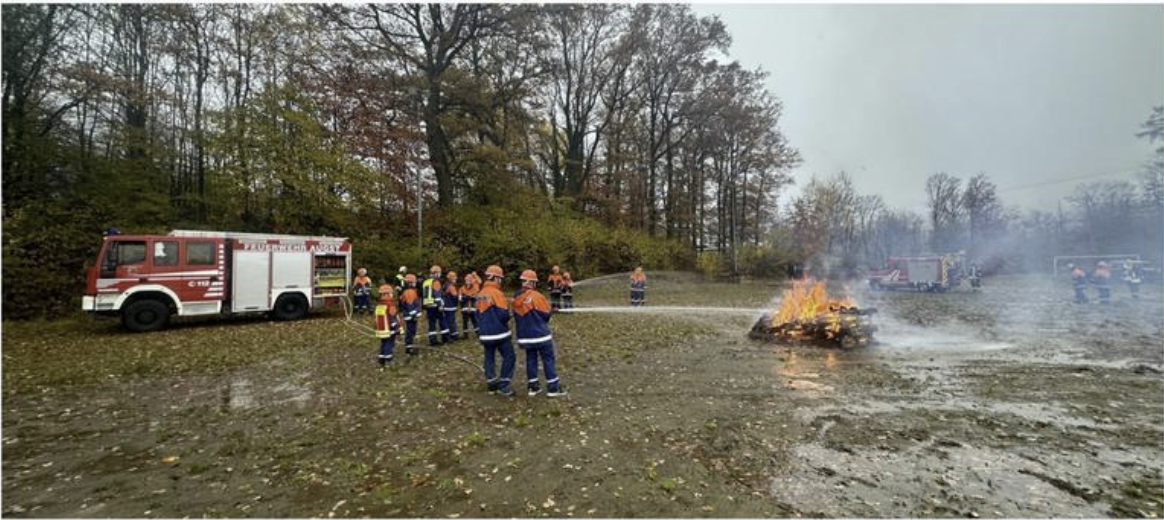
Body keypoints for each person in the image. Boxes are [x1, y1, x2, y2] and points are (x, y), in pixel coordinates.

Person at [513, 270, 566, 397]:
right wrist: (551, 311)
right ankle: (553, 389)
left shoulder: (516, 298)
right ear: (532, 283)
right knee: (548, 359)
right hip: (541, 336)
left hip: (525, 338)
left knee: (531, 360)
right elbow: (545, 315)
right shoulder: (537, 296)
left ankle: (533, 387)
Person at [476, 265, 516, 397]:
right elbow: (503, 315)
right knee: (509, 356)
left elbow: (478, 314)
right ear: (496, 278)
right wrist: (511, 313)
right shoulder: (496, 293)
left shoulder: (481, 293)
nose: (501, 281)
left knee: (489, 357)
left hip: (485, 333)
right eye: (500, 278)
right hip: (499, 333)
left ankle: (492, 384)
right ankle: (504, 385)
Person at [373, 282, 402, 369]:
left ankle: (381, 359)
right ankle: (388, 360)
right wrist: (396, 328)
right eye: (391, 293)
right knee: (389, 344)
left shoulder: (379, 305)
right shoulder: (390, 305)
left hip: (381, 331)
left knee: (383, 344)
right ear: (389, 294)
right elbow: (393, 318)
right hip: (389, 330)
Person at [422, 265, 446, 346]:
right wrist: (440, 305)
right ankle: (445, 338)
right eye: (439, 273)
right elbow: (437, 295)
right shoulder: (436, 282)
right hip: (435, 305)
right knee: (442, 321)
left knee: (431, 324)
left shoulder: (426, 282)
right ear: (436, 273)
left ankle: (432, 340)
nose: (440, 275)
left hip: (428, 305)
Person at [399, 274, 421, 357]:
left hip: (409, 315)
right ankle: (409, 349)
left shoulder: (407, 291)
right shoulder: (410, 292)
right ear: (411, 283)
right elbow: (410, 305)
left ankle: (410, 347)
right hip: (410, 315)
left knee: (411, 331)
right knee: (410, 331)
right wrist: (414, 315)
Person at [460, 271, 480, 338]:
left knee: (475, 321)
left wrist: (472, 297)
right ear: (465, 280)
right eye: (467, 280)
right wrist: (465, 297)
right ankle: (465, 335)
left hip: (473, 308)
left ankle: (478, 333)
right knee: (465, 322)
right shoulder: (462, 288)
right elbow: (460, 298)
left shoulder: (475, 288)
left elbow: (477, 297)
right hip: (465, 308)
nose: (468, 281)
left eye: (469, 280)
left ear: (472, 281)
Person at [442, 271, 461, 342]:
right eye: (454, 278)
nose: (455, 279)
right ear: (451, 279)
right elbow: (455, 296)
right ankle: (453, 335)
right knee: (451, 322)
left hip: (446, 306)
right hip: (450, 306)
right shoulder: (451, 287)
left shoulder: (445, 285)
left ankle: (449, 335)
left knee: (447, 321)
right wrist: (459, 298)